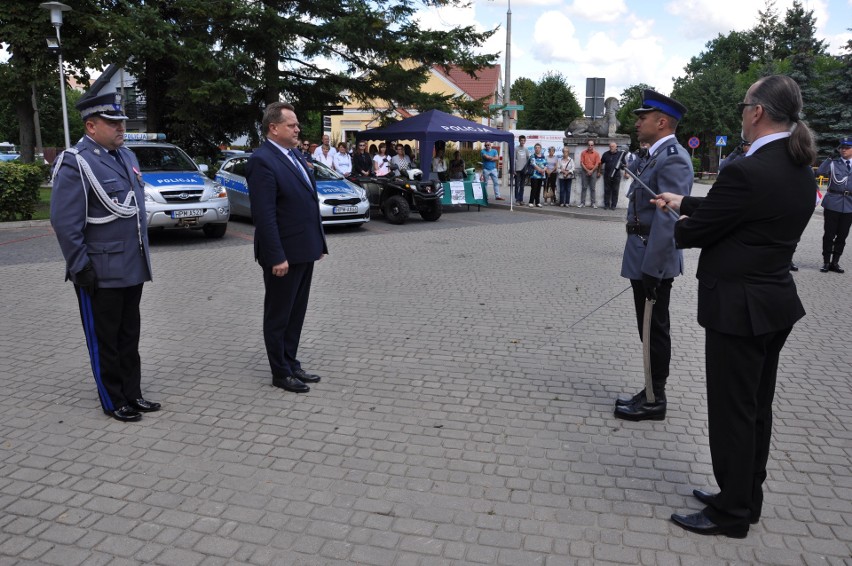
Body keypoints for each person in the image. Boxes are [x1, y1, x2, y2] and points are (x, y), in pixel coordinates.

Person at [654, 75, 817, 538]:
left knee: (731, 412)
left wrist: (680, 217)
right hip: (773, 304)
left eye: (745, 104)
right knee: (755, 408)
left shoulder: (746, 169)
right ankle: (746, 497)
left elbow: (697, 232)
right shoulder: (798, 166)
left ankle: (730, 515)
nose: (742, 113)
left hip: (738, 309)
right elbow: (740, 210)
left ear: (758, 111)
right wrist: (685, 199)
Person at [50, 91, 158, 422]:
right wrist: (80, 266)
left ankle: (132, 392)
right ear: (91, 126)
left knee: (129, 335)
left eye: (121, 122)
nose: (120, 127)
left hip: (131, 266)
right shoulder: (77, 162)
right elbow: (65, 222)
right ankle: (113, 399)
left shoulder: (124, 156)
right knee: (105, 339)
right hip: (99, 270)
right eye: (113, 123)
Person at [614, 89, 693, 422]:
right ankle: (649, 389)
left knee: (654, 328)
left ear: (661, 122)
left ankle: (654, 398)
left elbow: (668, 218)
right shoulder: (652, 155)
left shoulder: (673, 156)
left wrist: (653, 269)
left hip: (653, 256)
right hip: (641, 251)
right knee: (646, 328)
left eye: (642, 117)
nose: (637, 122)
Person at [246, 102, 328, 394]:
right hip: (282, 254)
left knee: (296, 312)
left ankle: (291, 362)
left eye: (296, 125)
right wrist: (276, 256)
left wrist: (317, 242)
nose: (297, 129)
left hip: (304, 248)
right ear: (274, 128)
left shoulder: (294, 155)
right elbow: (265, 215)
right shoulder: (262, 160)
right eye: (292, 125)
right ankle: (280, 372)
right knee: (279, 314)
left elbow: (307, 201)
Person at [816, 136, 852, 274]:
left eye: (847, 148)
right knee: (829, 234)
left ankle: (835, 262)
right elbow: (820, 172)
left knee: (843, 235)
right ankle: (826, 262)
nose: (843, 150)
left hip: (849, 205)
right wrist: (829, 158)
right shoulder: (833, 163)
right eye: (842, 148)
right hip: (833, 203)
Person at [600, 142, 626, 210]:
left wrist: (623, 167)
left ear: (616, 147)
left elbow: (624, 165)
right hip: (607, 175)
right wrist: (599, 172)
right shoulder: (605, 154)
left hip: (616, 176)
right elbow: (600, 163)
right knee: (607, 190)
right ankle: (606, 205)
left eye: (613, 146)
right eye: (610, 146)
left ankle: (613, 205)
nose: (611, 147)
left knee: (615, 190)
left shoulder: (620, 155)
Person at [579, 140, 601, 208]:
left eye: (591, 145)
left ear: (593, 146)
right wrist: (587, 170)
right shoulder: (583, 153)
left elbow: (597, 164)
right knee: (584, 187)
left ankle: (593, 203)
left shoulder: (596, 154)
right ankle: (582, 203)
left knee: (593, 188)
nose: (590, 146)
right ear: (587, 145)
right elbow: (581, 163)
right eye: (589, 145)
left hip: (593, 171)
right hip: (584, 171)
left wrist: (591, 171)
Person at [528, 143, 547, 207]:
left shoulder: (543, 156)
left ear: (541, 149)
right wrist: (540, 170)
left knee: (539, 189)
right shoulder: (532, 156)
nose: (537, 149)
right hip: (534, 175)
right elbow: (533, 164)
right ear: (534, 149)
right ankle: (531, 202)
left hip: (541, 175)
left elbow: (546, 164)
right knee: (534, 188)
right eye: (536, 148)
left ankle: (537, 202)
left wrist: (544, 169)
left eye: (538, 148)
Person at [514, 135, 530, 205]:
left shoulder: (526, 149)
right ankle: (517, 199)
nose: (522, 142)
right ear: (519, 141)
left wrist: (527, 169)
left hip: (524, 170)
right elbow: (514, 159)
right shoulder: (516, 148)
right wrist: (513, 169)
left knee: (522, 186)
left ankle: (521, 199)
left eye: (524, 140)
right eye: (521, 140)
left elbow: (528, 159)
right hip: (517, 169)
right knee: (517, 185)